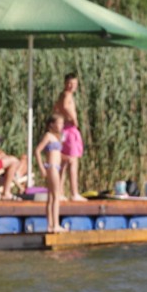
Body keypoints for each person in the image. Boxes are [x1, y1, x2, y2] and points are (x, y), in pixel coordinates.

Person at [52, 72, 86, 201]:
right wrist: (73, 118)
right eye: (70, 83)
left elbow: (56, 108)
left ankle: (60, 192)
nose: (72, 86)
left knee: (64, 162)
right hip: (69, 129)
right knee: (73, 161)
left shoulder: (61, 95)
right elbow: (65, 106)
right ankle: (74, 193)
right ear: (65, 83)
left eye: (75, 83)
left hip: (63, 130)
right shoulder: (67, 95)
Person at [34, 114, 67, 233]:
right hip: (52, 167)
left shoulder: (57, 137)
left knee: (51, 197)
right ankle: (55, 224)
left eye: (62, 123)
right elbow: (37, 151)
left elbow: (57, 154)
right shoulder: (48, 136)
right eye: (59, 123)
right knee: (56, 196)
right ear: (51, 124)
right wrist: (42, 168)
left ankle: (50, 225)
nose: (61, 126)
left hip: (56, 167)